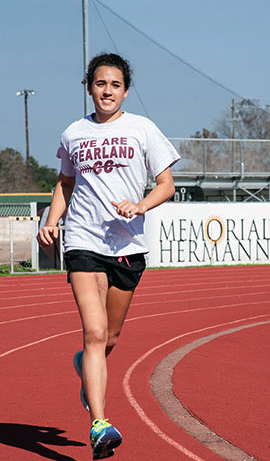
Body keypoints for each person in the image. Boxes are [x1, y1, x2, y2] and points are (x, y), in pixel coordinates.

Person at [37, 53, 180, 460]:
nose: (107, 91)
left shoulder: (143, 129)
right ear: (89, 87)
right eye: (100, 84)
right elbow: (65, 183)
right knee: (95, 331)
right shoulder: (74, 133)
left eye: (115, 85)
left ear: (125, 91)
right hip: (83, 240)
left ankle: (86, 365)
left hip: (127, 247)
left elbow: (166, 184)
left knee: (109, 338)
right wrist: (51, 220)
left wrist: (140, 205)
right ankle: (99, 424)